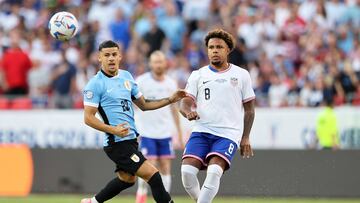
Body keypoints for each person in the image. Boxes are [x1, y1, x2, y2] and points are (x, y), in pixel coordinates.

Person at [81, 40, 186, 203]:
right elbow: (88, 118)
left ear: (120, 56)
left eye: (114, 54)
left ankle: (93, 202)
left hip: (130, 140)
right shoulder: (95, 84)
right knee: (153, 174)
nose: (111, 58)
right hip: (116, 142)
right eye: (106, 55)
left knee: (127, 180)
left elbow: (144, 104)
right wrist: (113, 130)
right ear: (99, 58)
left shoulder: (126, 76)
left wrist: (171, 99)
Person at [179, 29, 256, 203]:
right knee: (187, 174)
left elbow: (250, 110)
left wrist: (245, 137)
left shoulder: (242, 75)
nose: (214, 50)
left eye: (219, 47)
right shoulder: (198, 75)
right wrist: (188, 112)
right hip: (201, 131)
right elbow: (184, 103)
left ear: (228, 50)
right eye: (211, 47)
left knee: (214, 172)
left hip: (228, 134)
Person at [135, 51, 184, 203]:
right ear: (150, 63)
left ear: (165, 63)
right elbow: (133, 105)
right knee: (149, 166)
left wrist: (179, 132)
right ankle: (141, 193)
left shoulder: (171, 83)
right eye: (155, 62)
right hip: (147, 131)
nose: (158, 64)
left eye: (160, 61)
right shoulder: (141, 81)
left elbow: (174, 109)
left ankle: (165, 198)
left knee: (165, 167)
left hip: (165, 132)